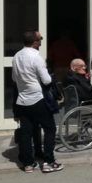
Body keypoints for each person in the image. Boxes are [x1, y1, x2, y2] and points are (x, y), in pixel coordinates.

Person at [12, 30, 63, 174]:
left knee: (26, 132)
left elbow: (14, 79)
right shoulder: (36, 57)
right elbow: (46, 80)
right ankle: (48, 162)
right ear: (35, 42)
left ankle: (28, 164)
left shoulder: (16, 56)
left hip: (22, 99)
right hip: (38, 98)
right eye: (40, 38)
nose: (41, 40)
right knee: (50, 129)